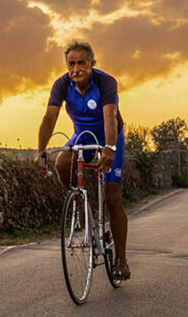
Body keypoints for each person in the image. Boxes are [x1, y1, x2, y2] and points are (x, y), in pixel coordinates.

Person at [35, 41, 130, 280]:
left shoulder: (105, 82)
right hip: (83, 135)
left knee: (112, 197)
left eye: (81, 63)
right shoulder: (62, 85)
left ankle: (121, 259)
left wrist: (109, 148)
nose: (76, 68)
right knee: (62, 163)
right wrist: (40, 151)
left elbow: (110, 115)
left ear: (91, 64)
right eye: (71, 64)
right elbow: (50, 118)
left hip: (110, 136)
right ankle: (80, 202)